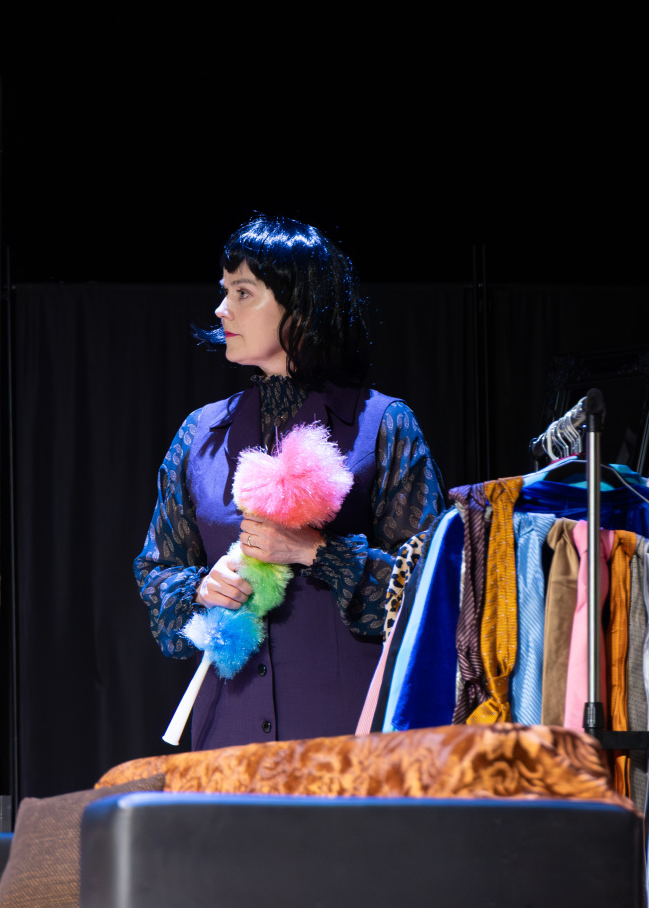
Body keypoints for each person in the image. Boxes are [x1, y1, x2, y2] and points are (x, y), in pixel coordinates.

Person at [133, 215, 444, 750]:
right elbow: (156, 571)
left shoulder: (383, 425)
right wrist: (202, 588)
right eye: (224, 291)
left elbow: (432, 590)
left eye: (242, 292)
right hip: (228, 743)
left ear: (300, 304)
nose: (221, 308)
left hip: (346, 744)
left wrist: (316, 551)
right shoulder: (199, 434)